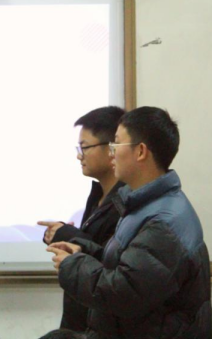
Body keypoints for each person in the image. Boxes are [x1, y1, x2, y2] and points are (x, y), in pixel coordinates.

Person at [48, 107, 212, 338]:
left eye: (116, 144)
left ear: (141, 151)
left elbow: (124, 293)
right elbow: (128, 264)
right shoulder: (144, 205)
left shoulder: (164, 222)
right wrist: (83, 252)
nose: (111, 154)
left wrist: (72, 266)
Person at [37, 106, 126, 332]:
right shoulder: (98, 195)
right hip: (81, 314)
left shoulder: (126, 202)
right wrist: (63, 235)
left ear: (112, 148)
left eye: (85, 148)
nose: (79, 155)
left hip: (102, 322)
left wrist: (67, 235)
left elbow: (111, 262)